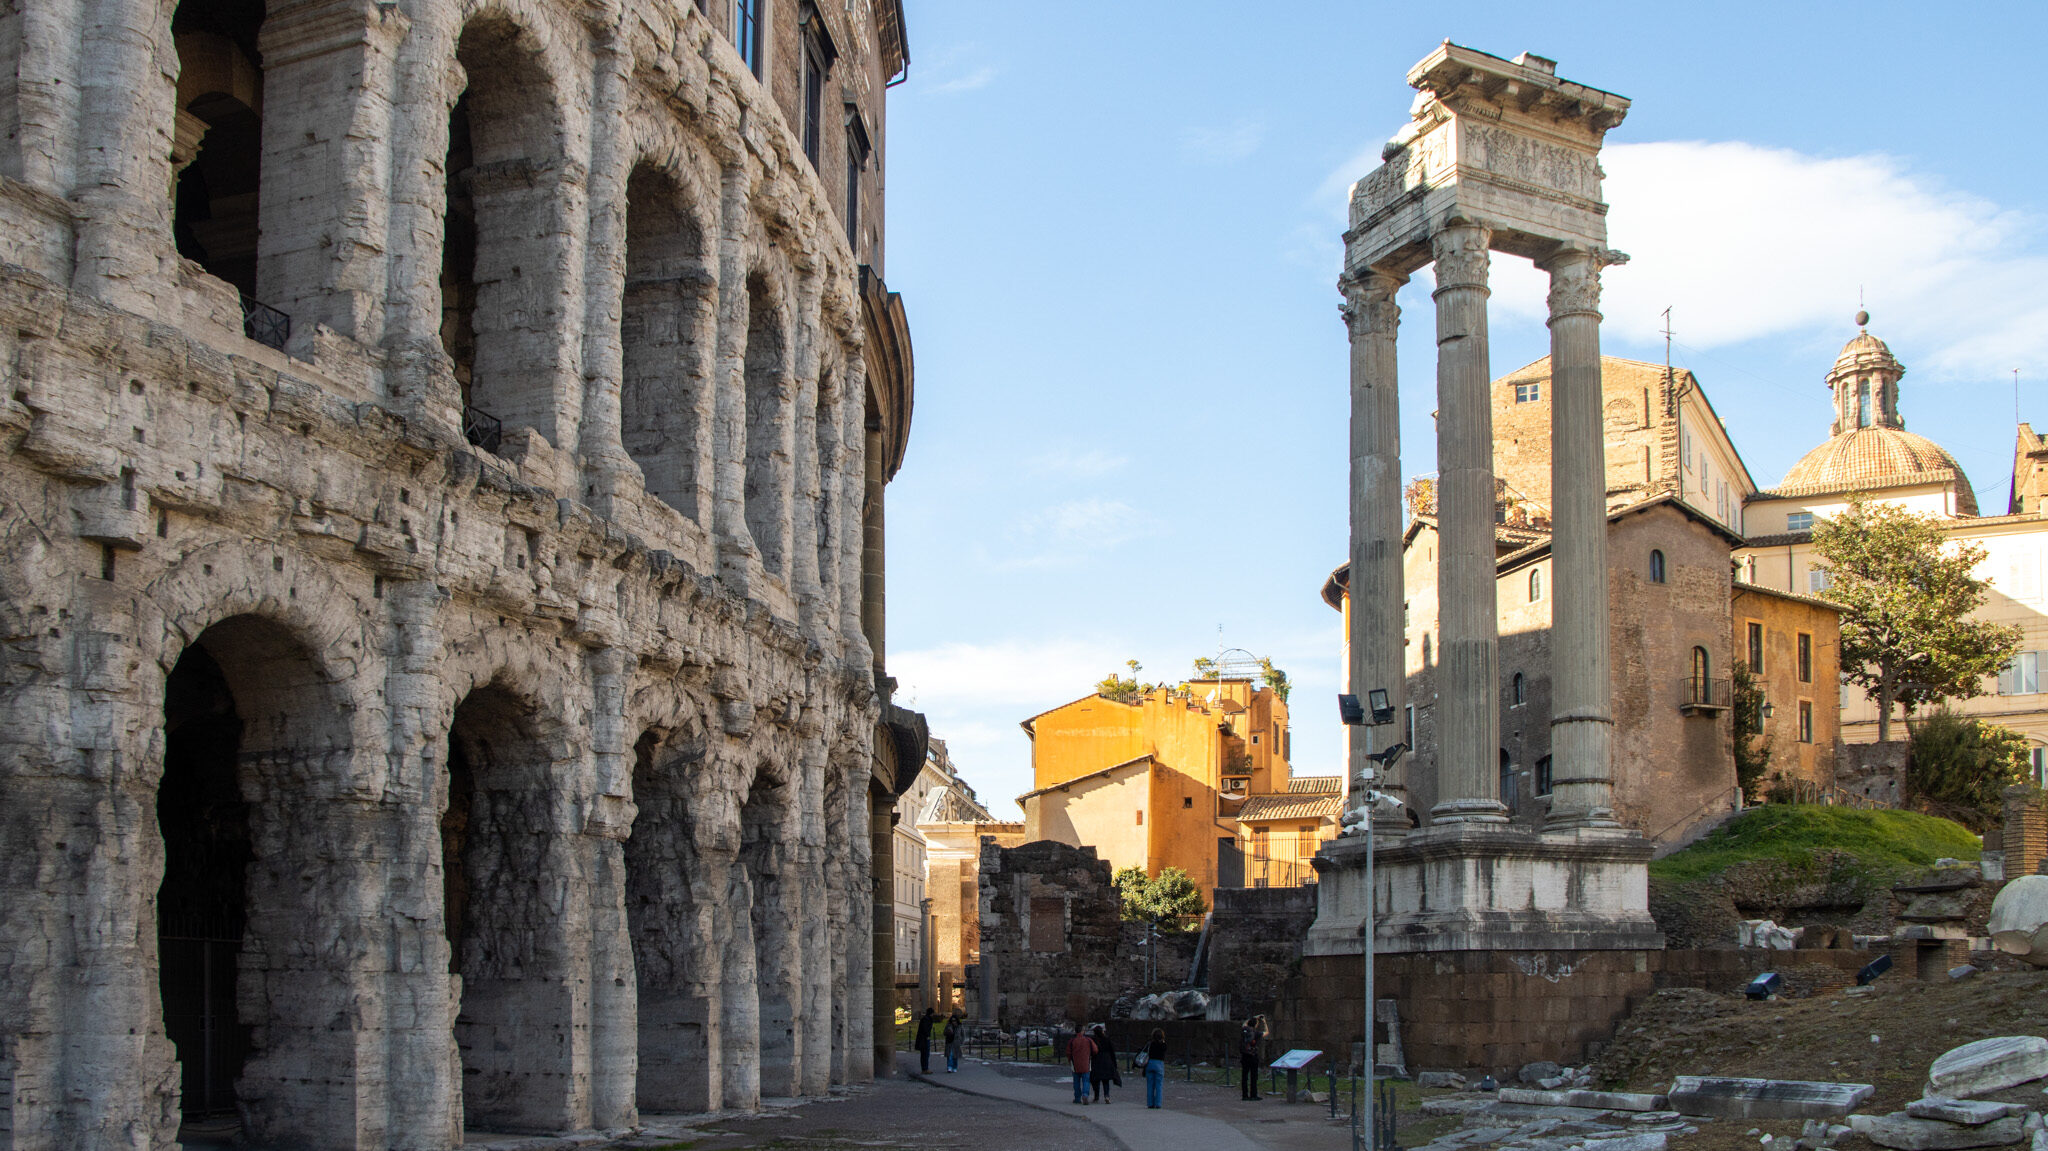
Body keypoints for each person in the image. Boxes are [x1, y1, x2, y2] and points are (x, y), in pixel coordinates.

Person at [1089, 1024, 1120, 1103]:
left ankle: (1096, 1096)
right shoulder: (1107, 1040)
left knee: (1096, 1080)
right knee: (1105, 1080)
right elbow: (1112, 1052)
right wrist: (1114, 1064)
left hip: (1096, 1060)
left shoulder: (1093, 1040)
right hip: (1106, 1060)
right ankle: (1107, 1096)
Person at [1239, 1015, 1267, 1100]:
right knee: (1253, 1076)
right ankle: (1253, 1095)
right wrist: (1264, 1022)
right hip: (1253, 1056)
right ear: (1255, 1025)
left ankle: (1244, 1095)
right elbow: (1267, 1032)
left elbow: (1244, 1023)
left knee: (1244, 1076)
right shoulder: (1256, 1033)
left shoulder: (1244, 1030)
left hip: (1244, 1055)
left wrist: (1254, 1017)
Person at [1068, 1025, 1096, 1104]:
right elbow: (1095, 1050)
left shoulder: (1072, 1041)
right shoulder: (1088, 1040)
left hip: (1075, 1063)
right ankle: (1085, 1095)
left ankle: (1077, 1097)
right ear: (1082, 1031)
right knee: (1086, 1080)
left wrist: (1070, 1060)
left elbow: (1068, 1052)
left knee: (1076, 1081)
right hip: (1086, 1063)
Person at [1143, 1027, 1168, 1108]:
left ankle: (1150, 1104)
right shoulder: (1163, 1045)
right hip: (1159, 1064)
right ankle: (1158, 1104)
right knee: (1159, 1085)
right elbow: (1165, 1049)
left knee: (1150, 1085)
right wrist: (1163, 1041)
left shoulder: (1150, 1044)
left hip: (1150, 1063)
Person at [915, 1007, 937, 1074]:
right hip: (924, 1039)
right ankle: (925, 1069)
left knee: (924, 1054)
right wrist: (927, 1036)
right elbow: (925, 1029)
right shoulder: (926, 1019)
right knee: (925, 1054)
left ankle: (924, 1068)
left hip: (923, 1038)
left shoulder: (925, 1019)